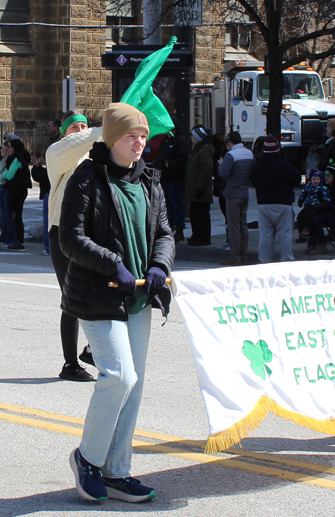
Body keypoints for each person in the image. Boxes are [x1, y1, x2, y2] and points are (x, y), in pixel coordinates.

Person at [59, 102, 175, 503]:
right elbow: (70, 239)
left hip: (140, 297)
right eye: (131, 136)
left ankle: (117, 472)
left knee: (134, 387)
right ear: (111, 139)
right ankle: (88, 459)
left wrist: (159, 263)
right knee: (119, 377)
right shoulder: (86, 179)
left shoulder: (149, 182)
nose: (140, 142)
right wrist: (113, 265)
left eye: (143, 136)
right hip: (98, 295)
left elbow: (164, 232)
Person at [46, 110, 102, 381]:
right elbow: (81, 142)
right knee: (72, 297)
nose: (80, 131)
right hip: (63, 233)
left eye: (83, 125)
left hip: (90, 234)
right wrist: (110, 125)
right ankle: (70, 364)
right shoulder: (57, 154)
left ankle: (92, 349)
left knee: (98, 292)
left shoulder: (93, 157)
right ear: (63, 133)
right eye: (74, 127)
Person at [250, 135, 301, 263]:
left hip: (264, 203)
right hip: (283, 203)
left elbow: (253, 181)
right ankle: (286, 260)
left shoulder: (257, 166)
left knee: (265, 235)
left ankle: (265, 261)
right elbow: (296, 179)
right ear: (278, 149)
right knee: (285, 234)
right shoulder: (285, 165)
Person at [217, 131, 254, 266]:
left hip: (232, 193)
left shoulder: (231, 155)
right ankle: (244, 254)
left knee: (234, 227)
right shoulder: (249, 153)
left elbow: (223, 174)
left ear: (230, 142)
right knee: (243, 225)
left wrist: (221, 164)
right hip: (244, 192)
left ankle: (235, 256)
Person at [153, 116, 189, 243]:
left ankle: (179, 230)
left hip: (175, 178)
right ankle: (170, 229)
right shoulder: (165, 141)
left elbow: (183, 158)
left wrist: (170, 164)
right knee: (167, 206)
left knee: (177, 204)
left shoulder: (180, 140)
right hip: (165, 178)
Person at [31, 120, 61, 256]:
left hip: (53, 190)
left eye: (50, 126)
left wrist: (38, 168)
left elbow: (51, 173)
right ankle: (50, 247)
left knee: (52, 220)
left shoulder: (59, 146)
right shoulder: (53, 145)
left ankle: (51, 247)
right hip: (49, 189)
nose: (47, 128)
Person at [304, 166, 335, 256]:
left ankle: (321, 245)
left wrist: (327, 204)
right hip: (325, 212)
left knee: (316, 219)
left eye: (328, 175)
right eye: (324, 175)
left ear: (334, 177)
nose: (326, 177)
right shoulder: (323, 188)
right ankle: (311, 244)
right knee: (311, 216)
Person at [0, 138, 32, 251]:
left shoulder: (17, 160)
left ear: (15, 148)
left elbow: (9, 176)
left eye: (10, 147)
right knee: (13, 216)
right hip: (16, 190)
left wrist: (4, 173)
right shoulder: (15, 158)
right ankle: (15, 240)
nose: (8, 149)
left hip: (17, 191)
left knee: (15, 216)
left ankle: (19, 242)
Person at [185, 124, 214, 246]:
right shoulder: (196, 150)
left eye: (192, 135)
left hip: (200, 190)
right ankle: (196, 235)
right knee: (195, 214)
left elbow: (206, 169)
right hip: (194, 188)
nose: (191, 137)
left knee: (201, 215)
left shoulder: (203, 151)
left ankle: (203, 237)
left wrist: (200, 187)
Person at [296, 170, 331, 241]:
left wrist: (324, 203)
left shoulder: (322, 188)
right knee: (300, 216)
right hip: (307, 207)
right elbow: (303, 194)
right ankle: (301, 233)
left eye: (317, 179)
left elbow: (327, 198)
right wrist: (301, 200)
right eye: (313, 179)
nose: (315, 181)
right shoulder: (307, 187)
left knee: (309, 216)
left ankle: (306, 230)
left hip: (317, 208)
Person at [0, 136, 15, 247]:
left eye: (2, 148)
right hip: (1, 187)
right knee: (3, 216)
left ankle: (9, 239)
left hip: (5, 187)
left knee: (7, 215)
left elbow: (6, 175)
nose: (1, 149)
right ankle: (4, 237)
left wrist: (2, 174)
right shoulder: (2, 160)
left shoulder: (8, 161)